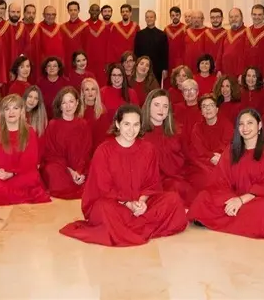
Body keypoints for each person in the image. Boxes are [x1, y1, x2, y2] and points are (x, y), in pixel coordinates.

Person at [59, 104, 188, 247]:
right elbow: (104, 188)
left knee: (173, 200)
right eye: (127, 124)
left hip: (139, 204)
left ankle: (126, 228)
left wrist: (142, 202)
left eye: (136, 125)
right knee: (104, 209)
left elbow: (152, 183)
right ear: (117, 124)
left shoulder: (148, 149)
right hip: (114, 204)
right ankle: (140, 227)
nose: (131, 130)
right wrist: (128, 204)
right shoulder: (104, 151)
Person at [187, 109, 264, 239]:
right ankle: (237, 220)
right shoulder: (231, 151)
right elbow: (220, 180)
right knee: (204, 197)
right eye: (241, 124)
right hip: (234, 196)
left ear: (259, 125)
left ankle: (220, 220)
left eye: (250, 123)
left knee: (261, 209)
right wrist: (231, 198)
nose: (245, 127)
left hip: (258, 199)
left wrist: (241, 200)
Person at [0, 94, 49, 206]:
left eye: (15, 108)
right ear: (3, 112)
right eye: (7, 109)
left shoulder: (29, 132)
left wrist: (11, 173)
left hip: (18, 175)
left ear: (21, 111)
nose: (11, 112)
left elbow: (29, 162)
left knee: (30, 178)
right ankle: (12, 194)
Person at [141, 89, 192, 204]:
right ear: (148, 106)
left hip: (176, 178)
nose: (161, 110)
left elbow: (189, 156)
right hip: (150, 184)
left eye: (165, 106)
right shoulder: (139, 133)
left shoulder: (177, 130)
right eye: (157, 105)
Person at [40, 87, 92, 200]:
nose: (68, 106)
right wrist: (70, 171)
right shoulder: (53, 125)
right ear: (60, 106)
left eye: (71, 102)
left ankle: (80, 181)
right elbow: (50, 154)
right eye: (64, 103)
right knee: (52, 172)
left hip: (79, 165)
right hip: (60, 166)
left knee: (95, 173)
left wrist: (80, 171)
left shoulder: (83, 124)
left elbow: (86, 152)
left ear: (77, 103)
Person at [185, 95, 234, 203]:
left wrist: (220, 158)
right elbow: (198, 150)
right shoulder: (197, 128)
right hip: (203, 163)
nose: (208, 108)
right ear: (201, 112)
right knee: (204, 178)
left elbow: (229, 145)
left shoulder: (226, 125)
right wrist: (211, 157)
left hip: (222, 161)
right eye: (204, 106)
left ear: (217, 109)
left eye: (211, 105)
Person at [134, 9, 168, 82]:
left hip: (157, 68)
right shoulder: (139, 34)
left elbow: (164, 53)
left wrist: (165, 68)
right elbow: (136, 52)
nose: (149, 19)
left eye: (151, 17)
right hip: (142, 68)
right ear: (145, 19)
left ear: (155, 18)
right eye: (147, 17)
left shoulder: (162, 34)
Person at [163, 7, 186, 71]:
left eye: (177, 15)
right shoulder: (166, 29)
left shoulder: (185, 28)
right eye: (173, 15)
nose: (175, 17)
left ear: (180, 15)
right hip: (169, 58)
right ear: (170, 16)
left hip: (181, 59)